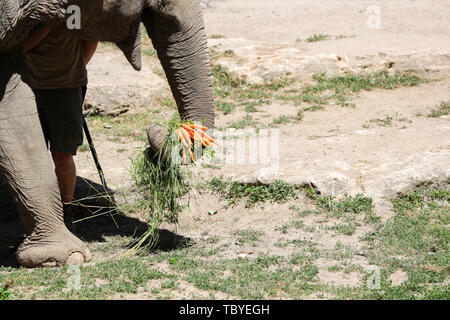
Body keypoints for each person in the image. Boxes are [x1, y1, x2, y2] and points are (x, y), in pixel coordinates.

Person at [21, 25, 98, 232]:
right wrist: (46, 26)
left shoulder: (74, 7)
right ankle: (38, 213)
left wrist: (74, 70)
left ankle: (66, 213)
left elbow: (91, 38)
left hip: (67, 88)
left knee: (62, 155)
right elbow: (21, 46)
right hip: (29, 86)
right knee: (32, 156)